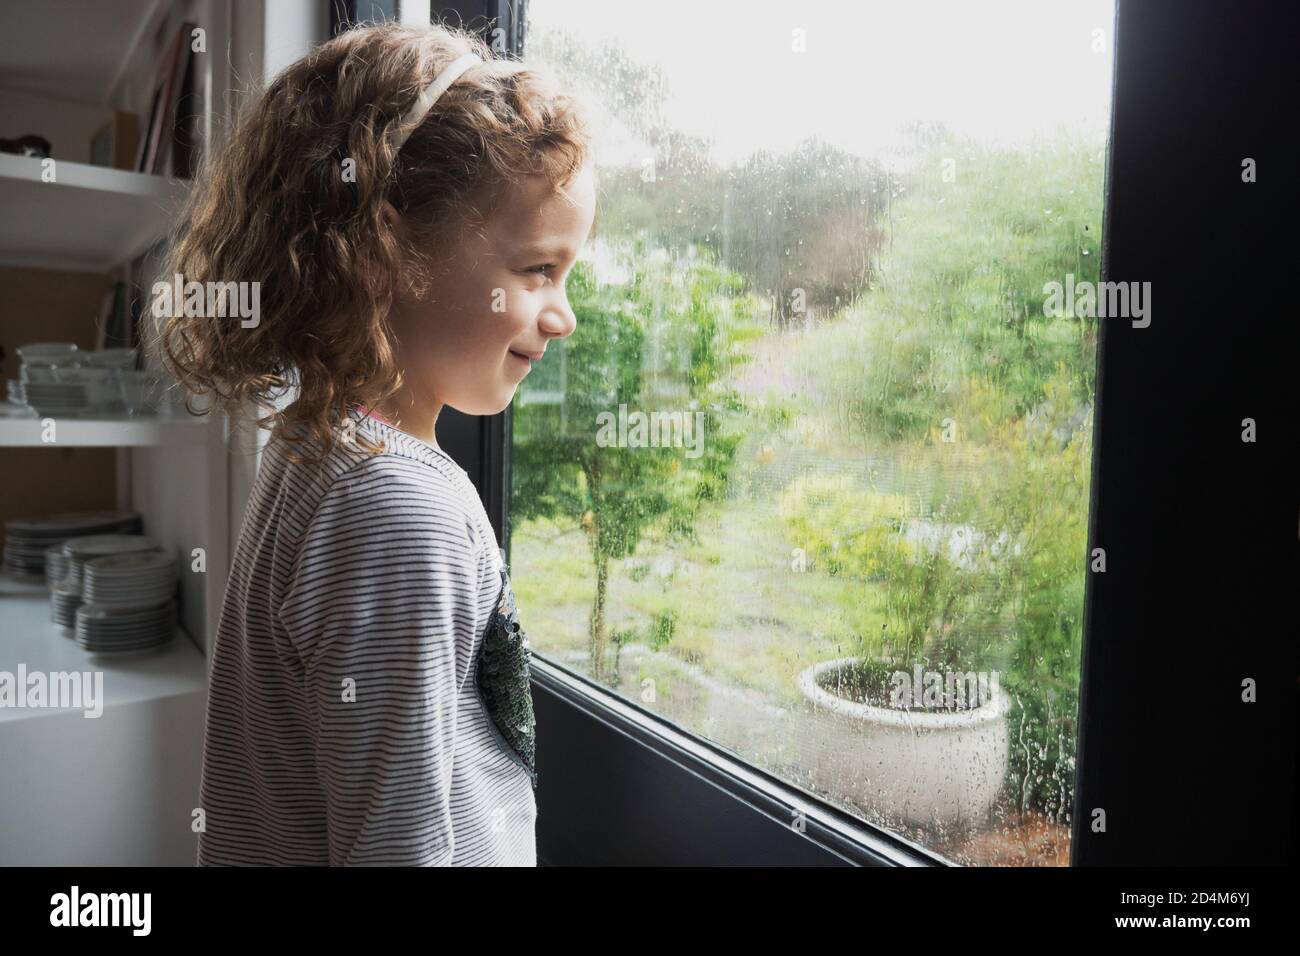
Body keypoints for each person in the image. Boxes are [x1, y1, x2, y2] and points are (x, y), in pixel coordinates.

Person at [149, 20, 597, 865]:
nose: (562, 315)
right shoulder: (398, 509)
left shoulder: (316, 443)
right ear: (387, 249)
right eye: (537, 270)